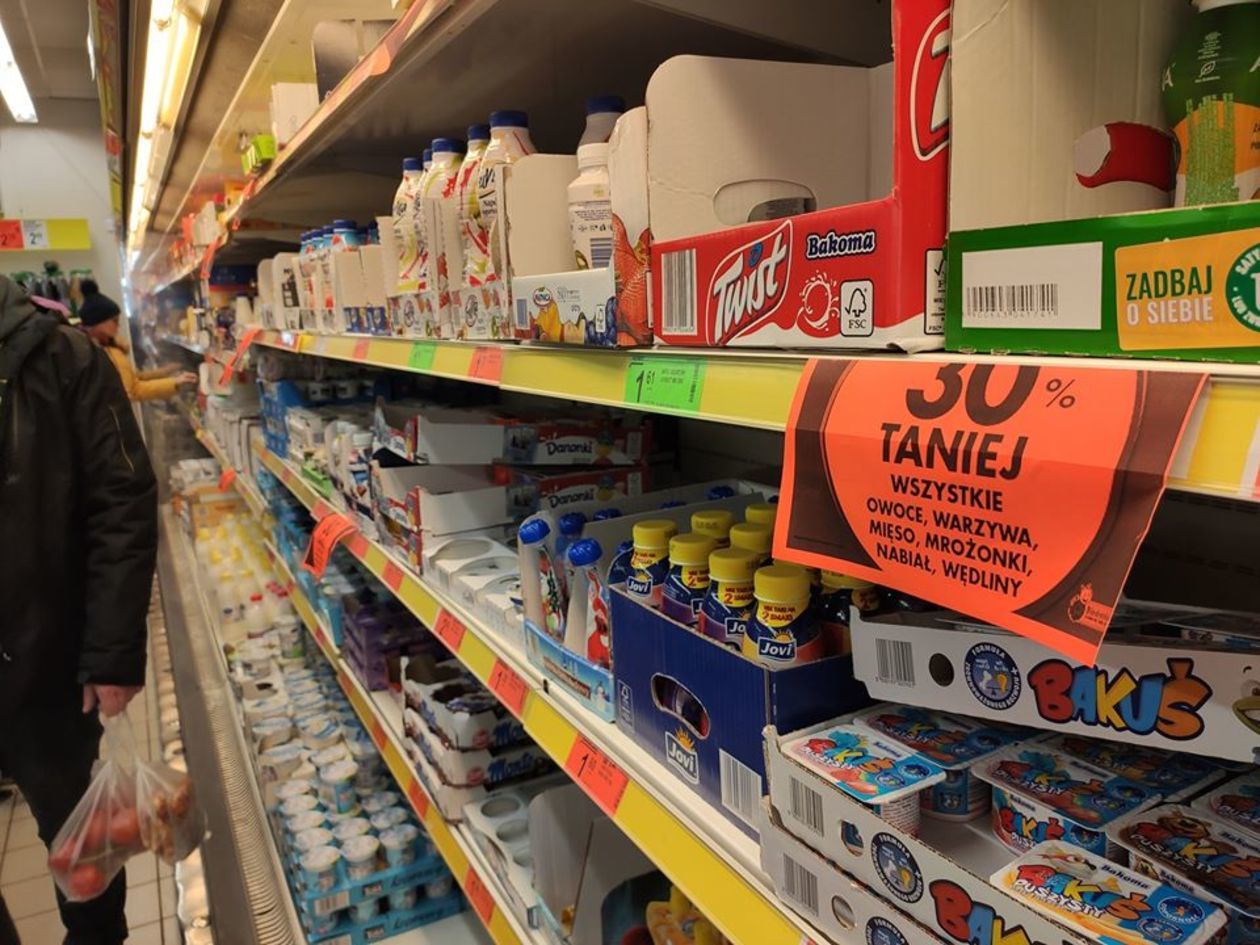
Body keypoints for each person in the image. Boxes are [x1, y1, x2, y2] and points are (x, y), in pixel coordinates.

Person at [0, 275, 156, 944]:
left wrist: (112, 654)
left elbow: (121, 503)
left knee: (81, 838)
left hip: (48, 659)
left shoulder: (63, 358)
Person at [78, 280, 197, 401]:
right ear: (99, 323)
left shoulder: (107, 348)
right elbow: (133, 390)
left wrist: (165, 372)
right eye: (114, 321)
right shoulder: (99, 354)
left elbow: (135, 378)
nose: (118, 325)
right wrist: (174, 382)